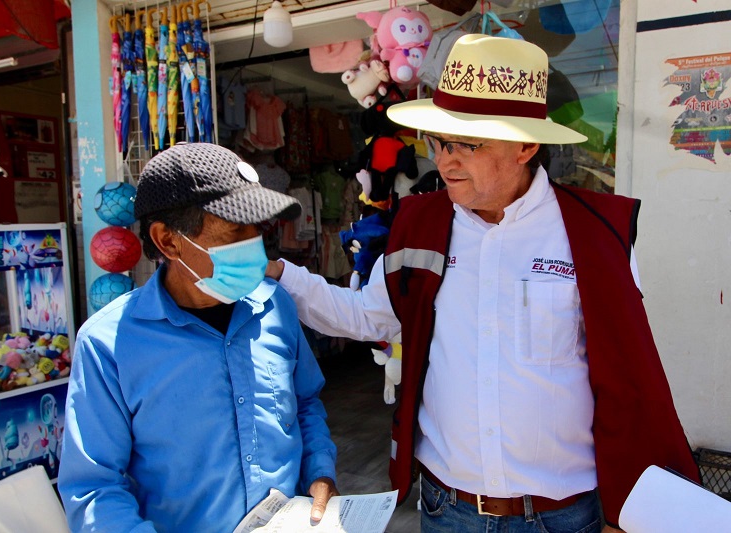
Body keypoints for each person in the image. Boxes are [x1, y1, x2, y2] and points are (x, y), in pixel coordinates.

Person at [265, 35, 699, 532]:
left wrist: (625, 515)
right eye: (439, 141)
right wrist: (283, 275)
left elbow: (630, 380)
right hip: (449, 512)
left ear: (526, 146)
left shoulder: (594, 234)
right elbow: (368, 315)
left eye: (466, 145)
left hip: (561, 517)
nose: (444, 161)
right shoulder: (421, 224)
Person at [58, 143, 338, 532]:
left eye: (257, 230)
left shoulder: (275, 305)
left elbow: (304, 403)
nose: (255, 249)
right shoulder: (107, 345)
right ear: (168, 241)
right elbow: (94, 488)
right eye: (235, 232)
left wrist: (319, 471)